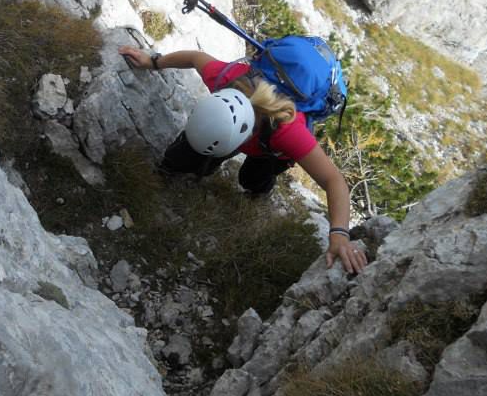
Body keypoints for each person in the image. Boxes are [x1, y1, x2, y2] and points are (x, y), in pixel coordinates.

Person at [118, 45, 367, 275]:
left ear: (242, 137)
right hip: (251, 132)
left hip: (272, 150)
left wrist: (339, 236)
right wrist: (153, 62)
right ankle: (183, 166)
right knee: (181, 157)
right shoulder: (224, 78)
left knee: (252, 178)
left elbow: (334, 180)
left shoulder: (287, 132)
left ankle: (260, 191)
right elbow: (194, 58)